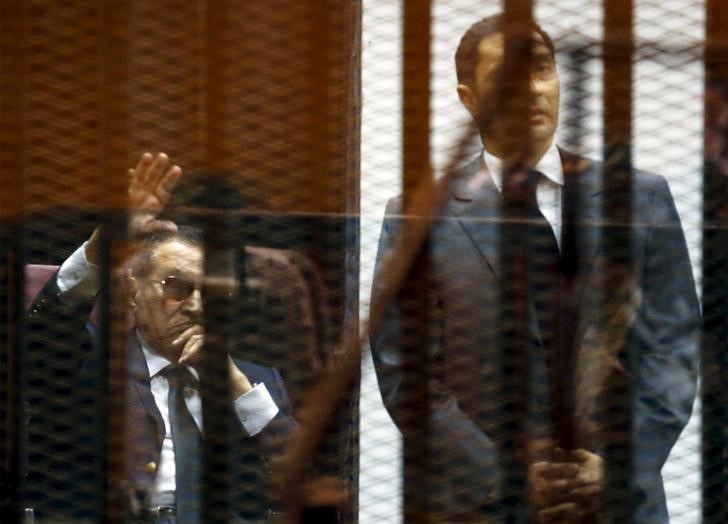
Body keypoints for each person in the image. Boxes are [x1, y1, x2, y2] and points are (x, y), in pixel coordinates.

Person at [369, 14, 700, 522]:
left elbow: (674, 350)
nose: (531, 89)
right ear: (469, 98)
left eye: (542, 68)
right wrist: (513, 481)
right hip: (486, 506)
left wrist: (617, 468)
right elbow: (406, 377)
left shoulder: (639, 198)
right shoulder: (418, 216)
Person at [24, 153, 295, 522]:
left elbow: (300, 481)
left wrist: (234, 384)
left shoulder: (256, 383)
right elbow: (45, 332)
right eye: (177, 287)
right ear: (134, 292)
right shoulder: (86, 361)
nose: (198, 306)